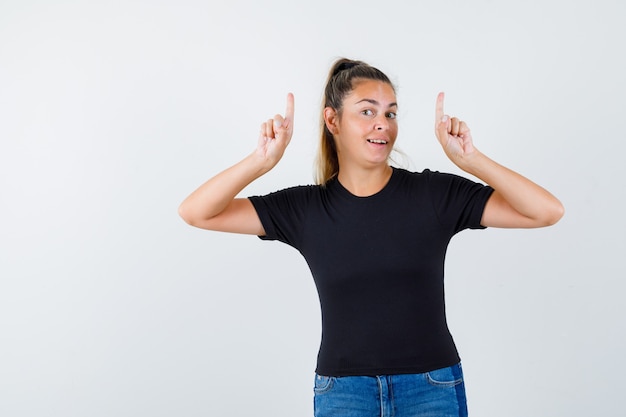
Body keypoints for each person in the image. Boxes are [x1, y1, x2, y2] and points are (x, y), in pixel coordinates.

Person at [178, 58, 564, 417]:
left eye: (390, 113)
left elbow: (546, 211)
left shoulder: (434, 195)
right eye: (367, 111)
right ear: (333, 121)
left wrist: (471, 160)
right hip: (344, 394)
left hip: (432, 388)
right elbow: (196, 212)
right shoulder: (305, 209)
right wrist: (261, 161)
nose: (383, 124)